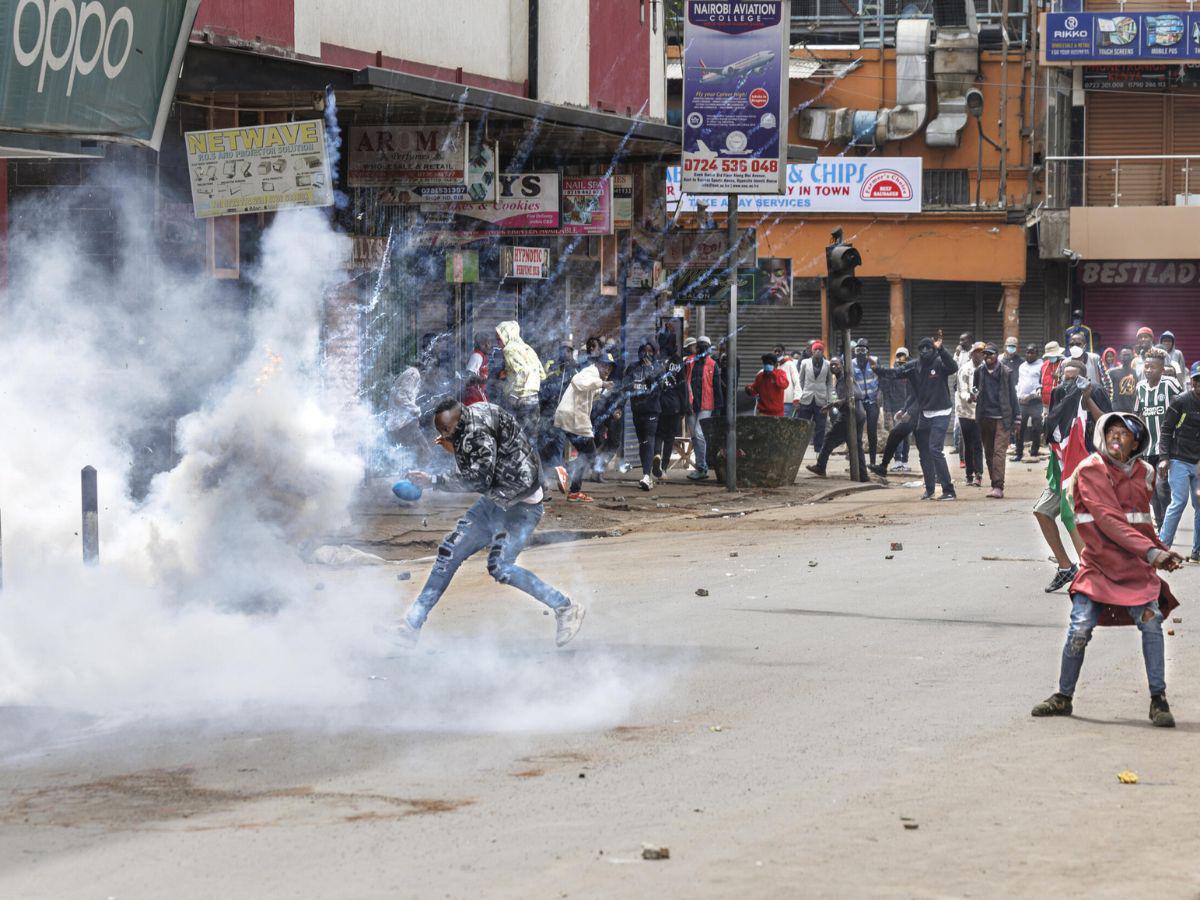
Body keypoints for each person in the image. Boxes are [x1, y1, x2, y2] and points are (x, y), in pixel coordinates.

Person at [394, 399, 586, 649]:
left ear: (460, 420)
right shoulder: (477, 413)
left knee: (501, 567)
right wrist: (454, 445)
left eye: (447, 430)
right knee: (449, 554)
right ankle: (411, 625)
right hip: (497, 501)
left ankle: (565, 607)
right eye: (441, 430)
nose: (443, 435)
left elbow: (478, 479)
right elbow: (489, 456)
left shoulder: (475, 433)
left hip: (521, 509)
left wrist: (432, 480)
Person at [1030, 412, 1182, 728]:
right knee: (1080, 628)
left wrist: (1163, 552)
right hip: (1097, 568)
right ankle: (1063, 696)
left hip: (1135, 569)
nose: (1116, 437)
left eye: (1124, 433)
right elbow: (1109, 521)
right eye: (1111, 430)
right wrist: (1153, 553)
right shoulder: (1089, 471)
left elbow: (1141, 523)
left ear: (1136, 442)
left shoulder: (1146, 473)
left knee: (1151, 626)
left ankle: (1158, 699)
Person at [1037, 357, 1111, 592]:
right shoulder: (1059, 393)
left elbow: (1107, 425)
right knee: (1042, 511)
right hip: (1061, 466)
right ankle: (1065, 567)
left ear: (1083, 378)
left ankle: (1092, 572)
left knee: (1071, 516)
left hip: (1087, 464)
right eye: (1064, 378)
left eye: (1073, 378)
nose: (1068, 382)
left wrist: (1087, 399)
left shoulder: (1095, 391)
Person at [878, 336, 959, 500]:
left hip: (942, 412)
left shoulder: (939, 362)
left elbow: (953, 367)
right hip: (925, 413)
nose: (924, 351)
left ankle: (948, 490)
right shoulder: (915, 365)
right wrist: (876, 369)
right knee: (924, 453)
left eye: (928, 347)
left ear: (933, 349)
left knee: (935, 450)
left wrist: (942, 349)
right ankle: (929, 490)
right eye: (921, 348)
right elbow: (895, 373)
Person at [553, 352, 616, 502]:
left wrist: (604, 390)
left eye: (610, 368)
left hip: (573, 417)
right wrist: (602, 384)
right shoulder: (589, 372)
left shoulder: (595, 378)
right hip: (574, 417)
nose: (607, 370)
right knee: (590, 454)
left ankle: (574, 492)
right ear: (598, 364)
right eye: (605, 366)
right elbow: (578, 381)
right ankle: (566, 470)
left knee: (585, 454)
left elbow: (590, 395)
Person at [1156, 362, 1200, 561]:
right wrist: (1164, 458)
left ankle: (1197, 551)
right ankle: (1163, 547)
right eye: (1198, 380)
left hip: (1199, 463)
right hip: (1179, 459)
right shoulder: (1180, 401)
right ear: (1192, 381)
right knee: (1179, 501)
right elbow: (1166, 430)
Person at [1135, 349, 1181, 530]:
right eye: (1146, 366)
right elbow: (1137, 413)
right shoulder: (1140, 387)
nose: (1148, 370)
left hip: (1168, 446)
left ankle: (1166, 527)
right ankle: (1161, 524)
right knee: (1151, 488)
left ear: (1162, 370)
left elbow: (1185, 402)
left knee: (1163, 488)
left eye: (1152, 367)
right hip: (1148, 447)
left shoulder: (1170, 384)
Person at [805, 357, 867, 481]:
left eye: (836, 365)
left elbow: (859, 395)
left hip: (851, 416)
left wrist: (841, 401)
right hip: (855, 415)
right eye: (832, 365)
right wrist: (831, 405)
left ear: (842, 365)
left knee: (829, 438)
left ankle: (820, 466)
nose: (834, 367)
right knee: (855, 444)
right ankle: (862, 475)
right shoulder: (840, 379)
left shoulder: (846, 378)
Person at [972, 343, 1020, 498]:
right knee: (989, 452)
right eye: (985, 354)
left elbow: (1013, 396)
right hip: (985, 417)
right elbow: (975, 389)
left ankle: (998, 486)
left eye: (991, 354)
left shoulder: (1006, 372)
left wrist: (1017, 418)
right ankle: (994, 483)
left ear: (997, 355)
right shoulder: (979, 371)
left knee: (999, 452)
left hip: (1002, 417)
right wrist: (974, 395)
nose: (987, 357)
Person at [868, 360, 918, 480]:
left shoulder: (919, 373)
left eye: (904, 364)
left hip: (926, 414)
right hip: (910, 411)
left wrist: (910, 412)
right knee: (895, 433)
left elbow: (923, 397)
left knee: (925, 445)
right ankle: (883, 466)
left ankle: (936, 474)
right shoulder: (908, 375)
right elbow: (912, 396)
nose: (901, 367)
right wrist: (903, 410)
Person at [684, 336, 724, 480]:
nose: (702, 348)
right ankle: (701, 467)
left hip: (706, 405)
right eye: (700, 346)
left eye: (705, 346)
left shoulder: (713, 364)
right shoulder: (689, 361)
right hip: (690, 405)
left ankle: (703, 467)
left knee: (699, 434)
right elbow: (684, 383)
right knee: (694, 436)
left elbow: (717, 387)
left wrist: (718, 407)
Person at [495, 321, 543, 435]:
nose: (497, 343)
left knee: (515, 439)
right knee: (531, 439)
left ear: (507, 335)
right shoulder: (526, 348)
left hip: (520, 401)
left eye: (499, 339)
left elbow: (522, 372)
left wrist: (513, 395)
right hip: (534, 400)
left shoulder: (509, 349)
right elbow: (541, 373)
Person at [626, 342, 663, 491]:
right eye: (643, 350)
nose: (646, 354)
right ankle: (646, 473)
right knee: (642, 443)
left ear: (654, 353)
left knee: (648, 440)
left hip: (651, 410)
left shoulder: (658, 368)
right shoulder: (632, 368)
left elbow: (658, 389)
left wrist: (649, 373)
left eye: (649, 351)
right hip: (637, 411)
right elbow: (626, 387)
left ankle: (647, 476)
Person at [653, 350, 689, 481]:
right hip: (674, 406)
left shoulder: (659, 361)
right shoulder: (678, 363)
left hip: (661, 405)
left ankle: (656, 454)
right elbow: (682, 387)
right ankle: (663, 468)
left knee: (659, 434)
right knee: (669, 439)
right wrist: (684, 409)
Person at [794, 340, 833, 454]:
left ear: (822, 351)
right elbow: (800, 381)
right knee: (803, 424)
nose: (817, 351)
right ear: (812, 351)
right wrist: (798, 397)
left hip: (821, 399)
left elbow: (830, 383)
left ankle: (818, 449)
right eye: (815, 349)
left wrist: (830, 400)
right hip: (806, 398)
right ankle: (800, 449)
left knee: (820, 426)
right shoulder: (805, 363)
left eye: (820, 350)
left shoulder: (828, 364)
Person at [956, 341, 985, 488]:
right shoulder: (965, 369)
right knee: (968, 444)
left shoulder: (986, 368)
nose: (979, 355)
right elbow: (962, 390)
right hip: (965, 411)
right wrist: (970, 397)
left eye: (982, 352)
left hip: (980, 412)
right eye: (977, 352)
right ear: (972, 353)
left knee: (978, 443)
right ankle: (969, 474)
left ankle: (978, 474)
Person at [879, 346, 912, 472]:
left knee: (907, 436)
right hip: (895, 409)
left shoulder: (911, 371)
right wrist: (887, 409)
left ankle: (904, 461)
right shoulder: (892, 373)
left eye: (903, 355)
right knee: (897, 435)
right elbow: (886, 392)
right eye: (898, 355)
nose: (900, 358)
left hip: (909, 409)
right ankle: (897, 461)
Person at [852, 338, 882, 466]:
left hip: (872, 400)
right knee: (857, 431)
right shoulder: (851, 363)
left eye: (863, 350)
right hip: (858, 401)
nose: (860, 352)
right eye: (858, 350)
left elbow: (882, 377)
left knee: (871, 431)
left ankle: (873, 462)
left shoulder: (874, 361)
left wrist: (880, 393)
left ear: (868, 351)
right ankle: (858, 461)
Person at [1015, 343, 1044, 463]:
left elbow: (1041, 385)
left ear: (1037, 354)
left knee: (1036, 428)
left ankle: (1034, 451)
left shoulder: (1042, 366)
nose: (1029, 354)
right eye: (1027, 352)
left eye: (1032, 352)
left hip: (1035, 402)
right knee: (1019, 428)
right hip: (1022, 402)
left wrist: (1031, 396)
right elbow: (1020, 383)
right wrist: (1018, 396)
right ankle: (1019, 453)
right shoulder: (1022, 366)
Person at [1068, 331, 1111, 396]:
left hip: (1094, 401)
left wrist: (1106, 402)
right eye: (1071, 345)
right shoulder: (1064, 363)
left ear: (1084, 346)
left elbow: (1107, 382)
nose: (1074, 347)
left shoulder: (1095, 359)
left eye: (1078, 344)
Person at [1107, 345, 1138, 413]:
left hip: (1131, 410)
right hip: (1116, 409)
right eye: (1124, 355)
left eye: (1128, 355)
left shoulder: (1136, 373)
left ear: (1133, 356)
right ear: (1119, 356)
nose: (1126, 356)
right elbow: (1107, 391)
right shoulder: (1112, 372)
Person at [463, 333, 492, 406]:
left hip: (478, 392)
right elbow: (469, 375)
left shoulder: (482, 356)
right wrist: (482, 380)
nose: (488, 346)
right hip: (474, 394)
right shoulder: (477, 356)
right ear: (479, 344)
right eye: (485, 343)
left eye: (489, 343)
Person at [781, 349, 802, 418]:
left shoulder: (801, 367)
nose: (797, 361)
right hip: (788, 401)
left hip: (799, 401)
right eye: (795, 359)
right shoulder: (787, 366)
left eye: (798, 359)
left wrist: (797, 399)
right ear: (791, 358)